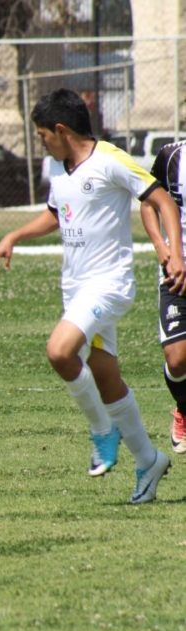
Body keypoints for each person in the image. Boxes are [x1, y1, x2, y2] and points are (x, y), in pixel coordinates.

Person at [0, 88, 185, 504]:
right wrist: (15, 236)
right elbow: (58, 213)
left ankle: (101, 430)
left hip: (109, 284)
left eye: (42, 135)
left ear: (61, 130)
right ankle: (149, 461)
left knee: (59, 352)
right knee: (104, 375)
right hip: (76, 287)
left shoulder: (111, 160)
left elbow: (161, 200)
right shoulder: (60, 168)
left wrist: (173, 252)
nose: (41, 142)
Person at [139, 139, 186, 454]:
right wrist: (163, 248)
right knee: (177, 358)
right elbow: (147, 202)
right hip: (176, 269)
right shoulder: (171, 156)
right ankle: (184, 407)